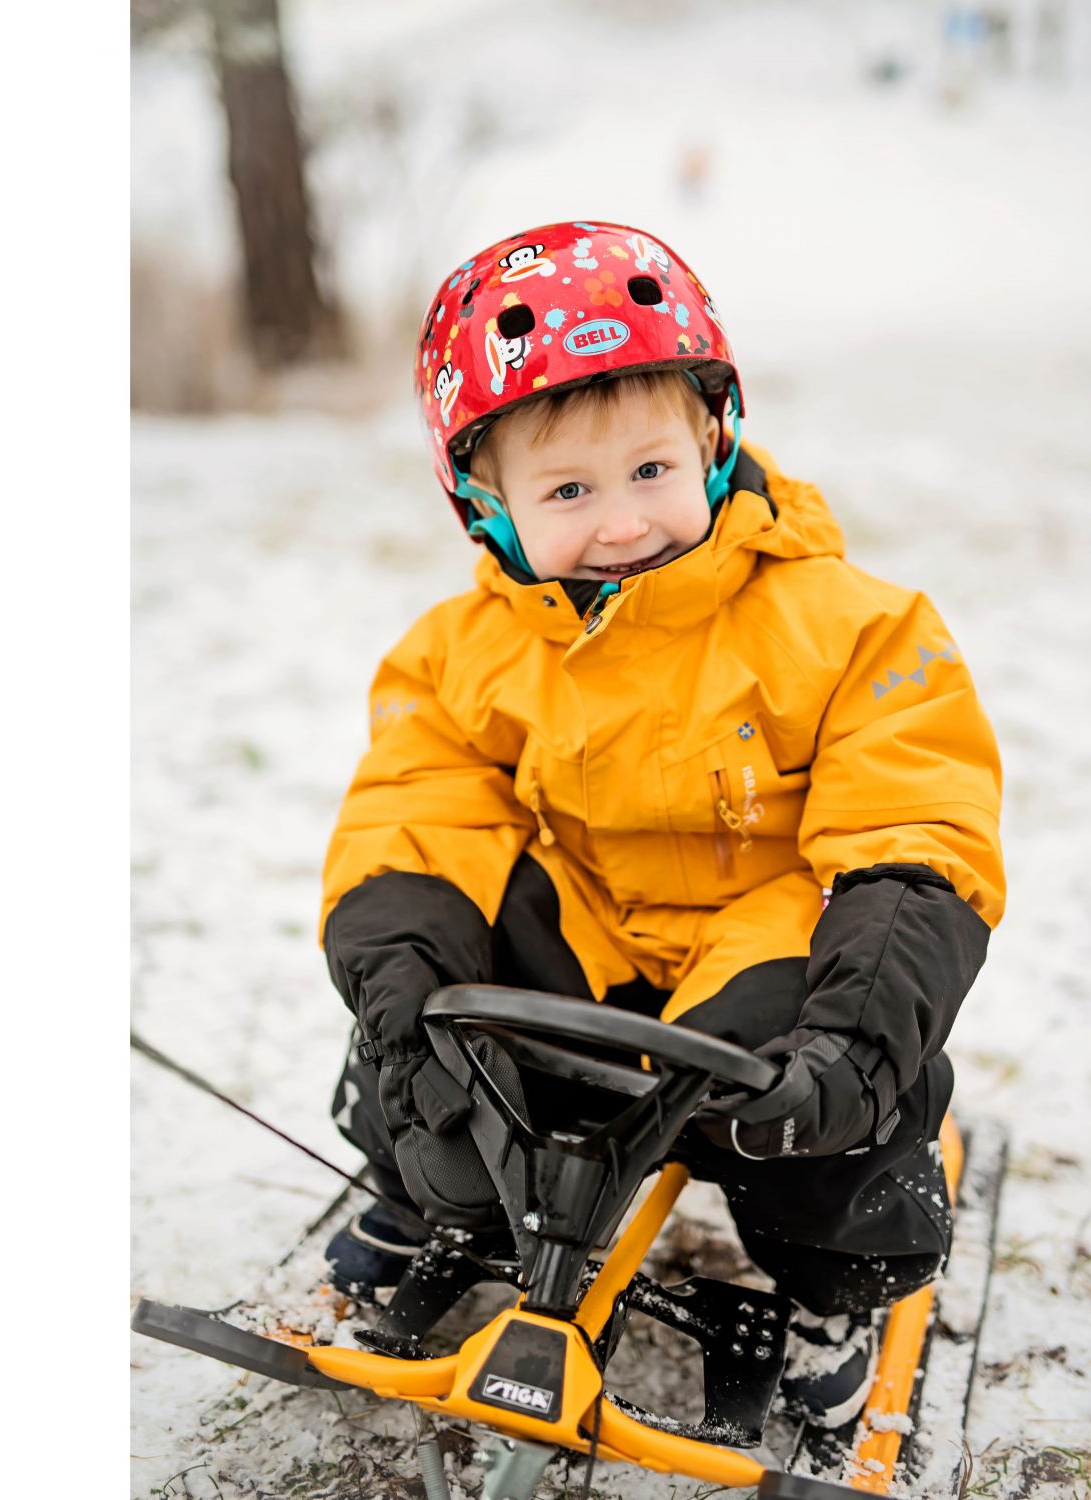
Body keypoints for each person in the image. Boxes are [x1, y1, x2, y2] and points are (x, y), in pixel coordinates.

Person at [319, 220, 1005, 1429]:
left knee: (817, 1097)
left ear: (712, 440)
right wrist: (400, 986)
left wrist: (855, 1040)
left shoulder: (853, 624)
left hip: (763, 945)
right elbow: (417, 816)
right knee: (434, 1006)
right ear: (486, 503)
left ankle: (831, 1284)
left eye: (651, 472)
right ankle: (437, 1193)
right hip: (587, 941)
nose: (624, 521)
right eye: (569, 492)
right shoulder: (458, 655)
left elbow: (915, 818)